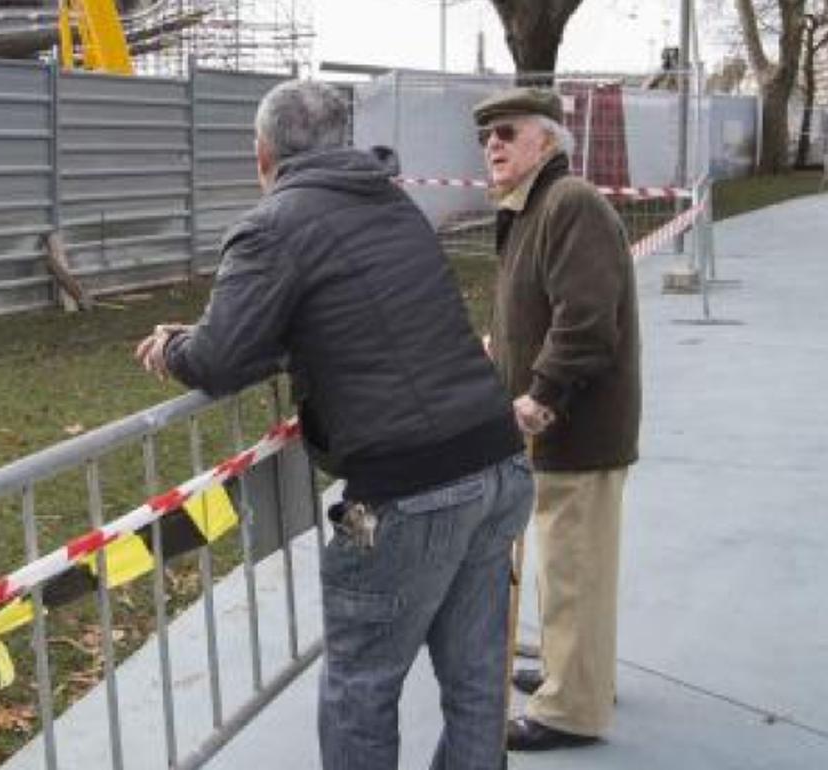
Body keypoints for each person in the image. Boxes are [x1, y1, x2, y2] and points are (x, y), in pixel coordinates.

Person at [135, 79, 534, 770]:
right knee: (475, 680)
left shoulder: (273, 225)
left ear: (264, 153)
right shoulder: (391, 201)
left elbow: (223, 355)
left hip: (410, 491)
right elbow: (346, 316)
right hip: (497, 464)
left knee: (362, 687)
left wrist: (174, 346)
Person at [472, 87, 641, 752]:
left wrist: (539, 395)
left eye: (507, 133)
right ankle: (576, 670)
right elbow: (536, 308)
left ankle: (572, 707)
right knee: (566, 567)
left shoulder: (569, 204)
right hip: (553, 432)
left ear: (546, 141)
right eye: (486, 136)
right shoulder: (528, 210)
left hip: (577, 428)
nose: (492, 145)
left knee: (575, 569)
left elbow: (587, 321)